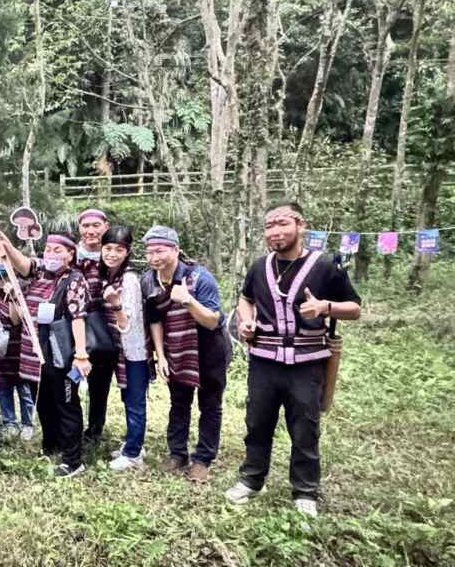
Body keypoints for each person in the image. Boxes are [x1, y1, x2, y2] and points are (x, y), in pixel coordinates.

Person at [225, 202, 361, 518]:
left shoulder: (325, 267)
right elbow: (245, 300)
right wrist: (246, 322)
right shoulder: (259, 267)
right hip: (264, 360)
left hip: (307, 362)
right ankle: (251, 479)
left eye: (282, 224)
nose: (275, 232)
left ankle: (305, 491)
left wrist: (325, 307)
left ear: (300, 225)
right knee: (257, 423)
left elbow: (354, 308)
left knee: (304, 428)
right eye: (270, 226)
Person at [0, 230, 92, 478]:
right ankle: (52, 444)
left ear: (70, 254)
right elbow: (23, 264)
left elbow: (78, 318)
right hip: (36, 355)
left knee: (66, 405)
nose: (51, 255)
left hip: (61, 354)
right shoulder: (41, 271)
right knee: (43, 402)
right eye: (48, 250)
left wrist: (80, 354)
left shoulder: (74, 279)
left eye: (58, 251)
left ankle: (73, 460)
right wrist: (6, 245)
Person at [142, 225, 231, 483]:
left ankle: (203, 459)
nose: (154, 257)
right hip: (177, 350)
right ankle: (177, 453)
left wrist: (189, 301)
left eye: (159, 250)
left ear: (176, 250)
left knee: (210, 405)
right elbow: (155, 319)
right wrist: (161, 355)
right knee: (178, 403)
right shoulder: (149, 280)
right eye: (149, 252)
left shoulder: (200, 278)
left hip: (209, 348)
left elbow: (214, 320)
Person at [99, 226, 150, 471]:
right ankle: (133, 442)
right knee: (128, 397)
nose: (112, 254)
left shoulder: (128, 280)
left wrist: (116, 305)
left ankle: (133, 453)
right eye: (107, 248)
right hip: (123, 351)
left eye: (119, 249)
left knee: (135, 401)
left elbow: (127, 325)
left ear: (127, 252)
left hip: (134, 351)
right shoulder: (111, 275)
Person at [75, 208, 118, 446]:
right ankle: (71, 428)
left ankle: (94, 430)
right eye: (85, 226)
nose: (90, 230)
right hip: (74, 329)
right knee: (70, 380)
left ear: (105, 226)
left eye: (95, 225)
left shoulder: (113, 256)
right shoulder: (71, 255)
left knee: (100, 384)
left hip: (106, 332)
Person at [0, 258, 35, 440]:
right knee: (2, 387)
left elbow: (16, 320)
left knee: (23, 387)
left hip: (19, 347)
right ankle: (9, 422)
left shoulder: (22, 288)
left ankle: (28, 423)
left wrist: (13, 296)